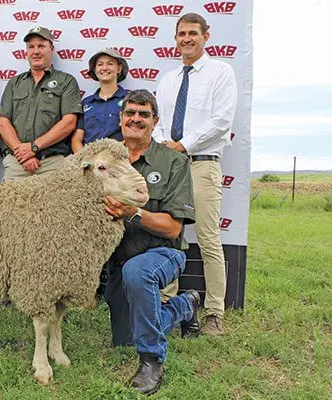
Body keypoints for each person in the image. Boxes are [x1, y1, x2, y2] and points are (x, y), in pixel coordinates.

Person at [103, 89, 201, 395]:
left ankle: (151, 361)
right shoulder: (105, 160)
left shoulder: (173, 162)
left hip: (161, 252)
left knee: (137, 272)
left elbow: (172, 228)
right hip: (118, 259)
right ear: (121, 118)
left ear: (155, 121)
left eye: (143, 114)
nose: (136, 119)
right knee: (126, 338)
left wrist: (132, 213)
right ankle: (185, 305)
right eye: (130, 113)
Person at [152, 12, 237, 335]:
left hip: (201, 163)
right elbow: (158, 123)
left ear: (205, 36)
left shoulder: (221, 72)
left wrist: (182, 145)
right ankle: (166, 304)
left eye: (192, 33)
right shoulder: (169, 79)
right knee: (170, 235)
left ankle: (215, 312)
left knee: (208, 238)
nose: (186, 39)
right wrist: (166, 146)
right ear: (175, 39)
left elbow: (222, 120)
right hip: (172, 166)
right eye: (181, 34)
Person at [0, 26, 82, 180]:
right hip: (17, 163)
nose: (36, 51)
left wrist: (34, 147)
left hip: (52, 164)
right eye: (31, 47)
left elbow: (69, 122)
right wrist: (23, 154)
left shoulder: (66, 81)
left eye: (41, 46)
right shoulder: (14, 83)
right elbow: (4, 123)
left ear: (51, 49)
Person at [71, 47, 129, 153]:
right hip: (88, 159)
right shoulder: (86, 103)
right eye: (100, 64)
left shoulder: (129, 101)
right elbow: (76, 140)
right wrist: (85, 159)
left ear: (119, 69)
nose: (105, 68)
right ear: (95, 70)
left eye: (110, 64)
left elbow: (134, 135)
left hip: (117, 158)